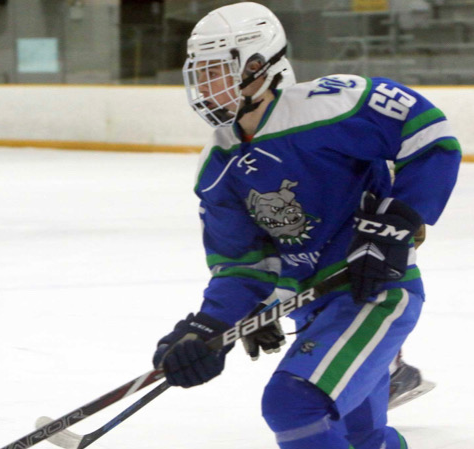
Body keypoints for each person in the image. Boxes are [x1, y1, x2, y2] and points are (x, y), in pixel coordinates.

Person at [152, 3, 461, 449]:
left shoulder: (333, 104)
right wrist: (207, 329)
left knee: (294, 404)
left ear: (260, 64)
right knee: (363, 438)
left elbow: (429, 134)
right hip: (311, 308)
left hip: (372, 295)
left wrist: (400, 218)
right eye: (199, 74)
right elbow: (243, 268)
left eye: (218, 72)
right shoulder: (217, 165)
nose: (205, 86)